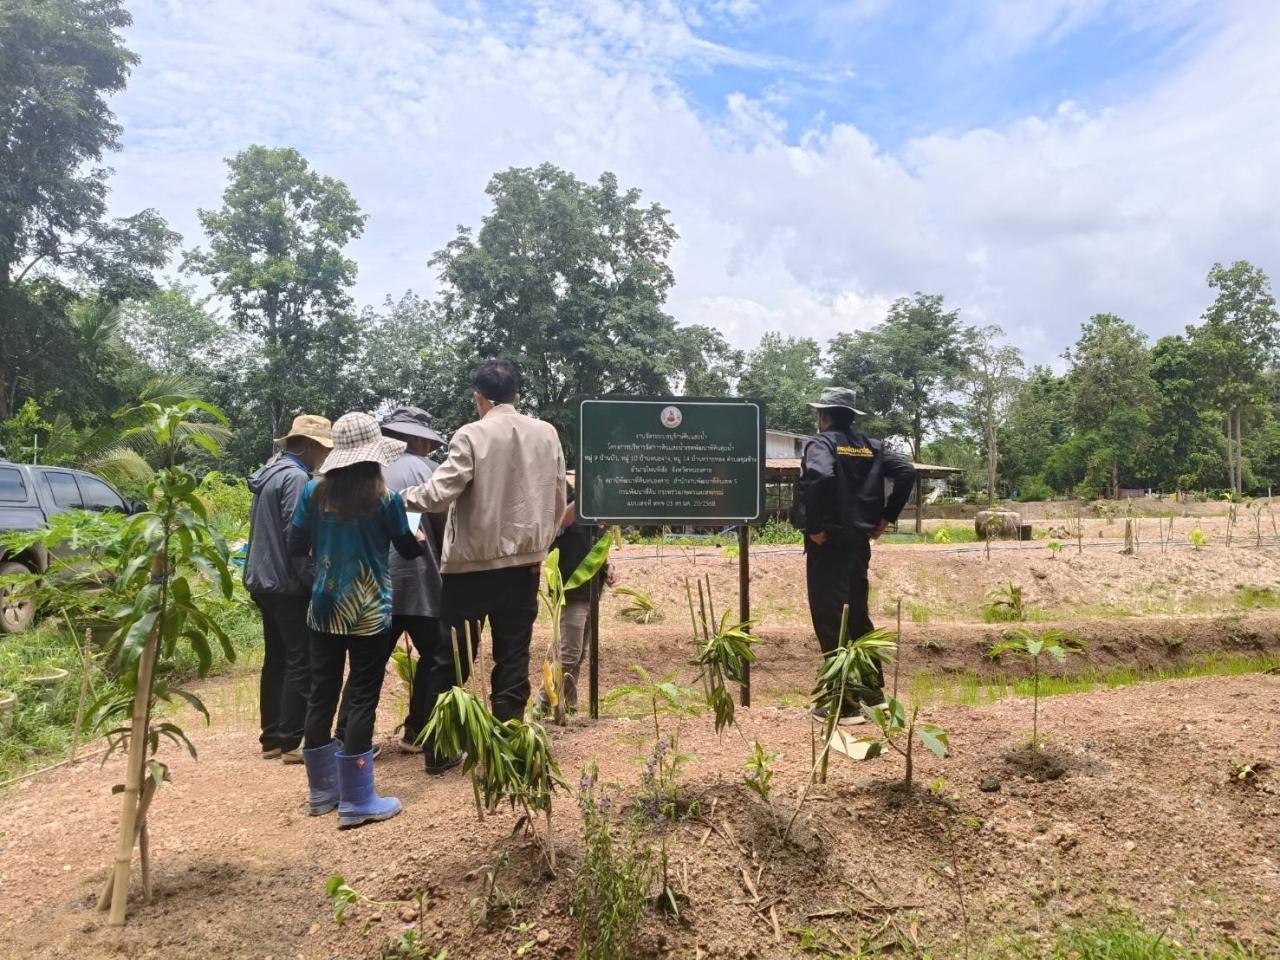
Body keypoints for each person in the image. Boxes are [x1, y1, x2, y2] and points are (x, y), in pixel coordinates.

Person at [401, 358, 566, 773]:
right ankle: (509, 744)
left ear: (480, 398)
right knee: (512, 655)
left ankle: (440, 751)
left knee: (451, 658)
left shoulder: (472, 435)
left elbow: (439, 494)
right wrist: (541, 545)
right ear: (516, 395)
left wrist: (396, 498)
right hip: (523, 566)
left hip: (470, 569)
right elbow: (558, 496)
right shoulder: (547, 433)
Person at [291, 412, 424, 829]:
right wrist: (417, 540)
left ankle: (321, 793)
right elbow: (407, 549)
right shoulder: (385, 498)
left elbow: (296, 543)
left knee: (321, 693)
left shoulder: (314, 492)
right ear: (373, 456)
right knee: (362, 695)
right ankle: (358, 800)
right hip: (369, 610)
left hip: (324, 606)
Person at [792, 387, 916, 718]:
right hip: (858, 544)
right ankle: (873, 694)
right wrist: (887, 517)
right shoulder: (870, 447)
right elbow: (907, 471)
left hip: (828, 544)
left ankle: (843, 702)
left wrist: (814, 525)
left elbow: (819, 476)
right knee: (858, 615)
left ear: (824, 416)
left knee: (831, 620)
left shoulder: (822, 443)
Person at [243, 414, 332, 763]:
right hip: (285, 582)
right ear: (308, 445)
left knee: (277, 658)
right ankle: (294, 739)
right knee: (301, 657)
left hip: (262, 579)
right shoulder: (295, 478)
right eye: (322, 449)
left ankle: (273, 736)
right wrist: (313, 583)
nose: (324, 456)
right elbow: (297, 538)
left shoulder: (271, 473)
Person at [378, 406, 448, 752]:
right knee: (438, 655)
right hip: (419, 581)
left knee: (370, 663)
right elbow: (442, 525)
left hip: (375, 584)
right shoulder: (427, 470)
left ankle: (348, 736)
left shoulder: (367, 468)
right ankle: (418, 730)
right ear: (418, 439)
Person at [534, 487, 615, 717]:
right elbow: (560, 522)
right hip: (572, 595)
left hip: (592, 594)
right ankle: (542, 703)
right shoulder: (564, 511)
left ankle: (569, 702)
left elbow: (595, 551)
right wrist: (583, 496)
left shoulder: (593, 519)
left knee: (580, 653)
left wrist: (608, 567)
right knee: (569, 653)